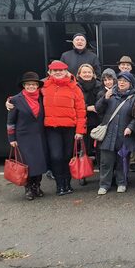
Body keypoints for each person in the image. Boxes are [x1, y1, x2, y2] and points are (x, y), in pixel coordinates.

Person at [43, 61, 87, 196]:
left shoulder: (75, 88)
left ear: (66, 71)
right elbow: (28, 95)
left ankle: (67, 184)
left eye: (61, 70)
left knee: (68, 156)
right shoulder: (43, 86)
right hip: (52, 128)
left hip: (70, 128)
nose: (58, 73)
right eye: (55, 71)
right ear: (49, 73)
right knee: (56, 157)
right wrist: (10, 100)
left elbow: (81, 110)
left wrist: (80, 131)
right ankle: (59, 184)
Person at [95, 71, 135, 195]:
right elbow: (98, 109)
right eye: (120, 80)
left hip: (124, 134)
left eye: (125, 81)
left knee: (122, 160)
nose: (122, 83)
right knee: (106, 162)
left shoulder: (134, 97)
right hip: (108, 134)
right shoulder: (110, 94)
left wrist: (131, 127)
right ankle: (104, 184)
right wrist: (104, 98)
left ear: (130, 83)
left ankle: (122, 182)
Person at [7, 72, 48, 200]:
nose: (31, 86)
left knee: (40, 163)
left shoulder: (42, 97)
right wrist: (12, 139)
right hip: (23, 137)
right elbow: (10, 122)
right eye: (28, 84)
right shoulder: (15, 100)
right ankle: (29, 188)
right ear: (24, 85)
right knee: (28, 164)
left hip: (40, 136)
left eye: (34, 84)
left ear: (37, 86)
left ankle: (37, 186)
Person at [76, 64, 102, 185]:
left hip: (97, 120)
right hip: (82, 121)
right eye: (84, 72)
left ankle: (103, 173)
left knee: (99, 149)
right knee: (83, 149)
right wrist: (88, 108)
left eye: (89, 72)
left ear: (93, 73)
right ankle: (83, 174)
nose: (87, 74)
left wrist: (96, 107)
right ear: (79, 74)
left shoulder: (99, 85)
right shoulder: (75, 86)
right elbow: (74, 103)